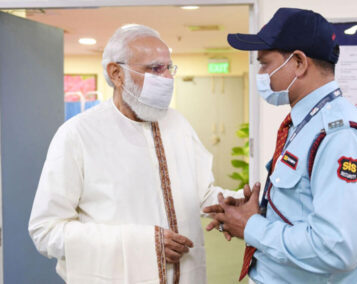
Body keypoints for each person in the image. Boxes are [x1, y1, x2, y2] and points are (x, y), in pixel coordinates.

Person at [28, 24, 242, 284]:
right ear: (116, 73)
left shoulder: (178, 125)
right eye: (154, 69)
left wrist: (236, 205)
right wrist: (143, 246)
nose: (166, 78)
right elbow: (46, 231)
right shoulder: (77, 135)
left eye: (169, 68)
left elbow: (201, 193)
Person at [204, 7, 357, 284]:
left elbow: (336, 248)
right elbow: (305, 207)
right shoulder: (307, 124)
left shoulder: (341, 135)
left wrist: (252, 226)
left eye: (265, 63)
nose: (261, 74)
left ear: (300, 62)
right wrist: (260, 213)